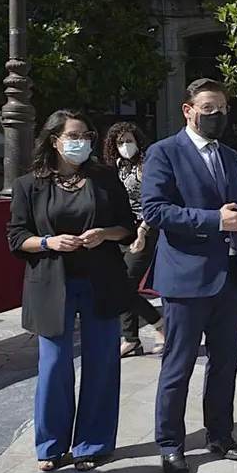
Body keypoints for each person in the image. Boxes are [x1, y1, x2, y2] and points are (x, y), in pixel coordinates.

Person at [141, 78, 237, 473]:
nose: (217, 115)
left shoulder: (229, 155)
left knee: (226, 363)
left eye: (222, 108)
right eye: (208, 108)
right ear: (188, 110)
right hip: (185, 279)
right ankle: (170, 444)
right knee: (178, 367)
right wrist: (215, 220)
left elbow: (233, 210)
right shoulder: (164, 152)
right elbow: (155, 210)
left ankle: (220, 434)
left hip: (227, 278)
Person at [6, 110, 136, 472]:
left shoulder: (105, 178)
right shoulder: (28, 184)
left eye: (87, 136)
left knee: (102, 363)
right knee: (54, 366)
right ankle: (51, 446)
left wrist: (103, 234)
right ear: (55, 140)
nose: (82, 142)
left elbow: (127, 226)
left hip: (101, 281)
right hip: (51, 284)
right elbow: (17, 237)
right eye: (74, 136)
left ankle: (92, 445)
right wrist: (48, 242)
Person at [101, 122, 166, 357]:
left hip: (145, 229)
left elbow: (154, 201)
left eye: (129, 141)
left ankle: (159, 324)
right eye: (120, 142)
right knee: (119, 283)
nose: (125, 146)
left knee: (124, 284)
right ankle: (131, 338)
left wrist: (142, 232)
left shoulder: (145, 166)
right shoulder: (117, 166)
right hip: (122, 230)